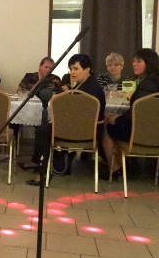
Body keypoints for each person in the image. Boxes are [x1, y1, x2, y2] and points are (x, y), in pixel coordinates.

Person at [26, 54, 106, 186]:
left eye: (76, 69)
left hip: (82, 132)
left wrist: (56, 121)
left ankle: (43, 172)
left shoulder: (88, 89)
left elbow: (77, 114)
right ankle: (46, 166)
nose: (72, 72)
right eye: (71, 69)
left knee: (43, 130)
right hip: (87, 131)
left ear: (87, 69)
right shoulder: (86, 85)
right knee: (45, 128)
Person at [101, 48, 159, 178]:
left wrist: (116, 119)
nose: (134, 64)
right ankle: (123, 164)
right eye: (134, 61)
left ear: (149, 63)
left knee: (106, 125)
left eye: (139, 61)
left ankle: (115, 168)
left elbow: (137, 111)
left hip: (143, 134)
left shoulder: (147, 84)